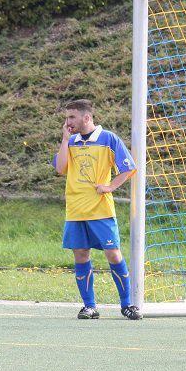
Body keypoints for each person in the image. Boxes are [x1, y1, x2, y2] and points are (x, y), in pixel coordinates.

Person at [54, 99, 140, 320]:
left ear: (87, 117)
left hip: (101, 210)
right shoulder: (71, 141)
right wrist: (65, 140)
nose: (68, 122)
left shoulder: (108, 139)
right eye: (66, 117)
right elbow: (60, 168)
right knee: (81, 255)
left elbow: (128, 168)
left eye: (72, 117)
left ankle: (127, 305)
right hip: (75, 210)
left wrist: (110, 186)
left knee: (113, 253)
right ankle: (89, 306)